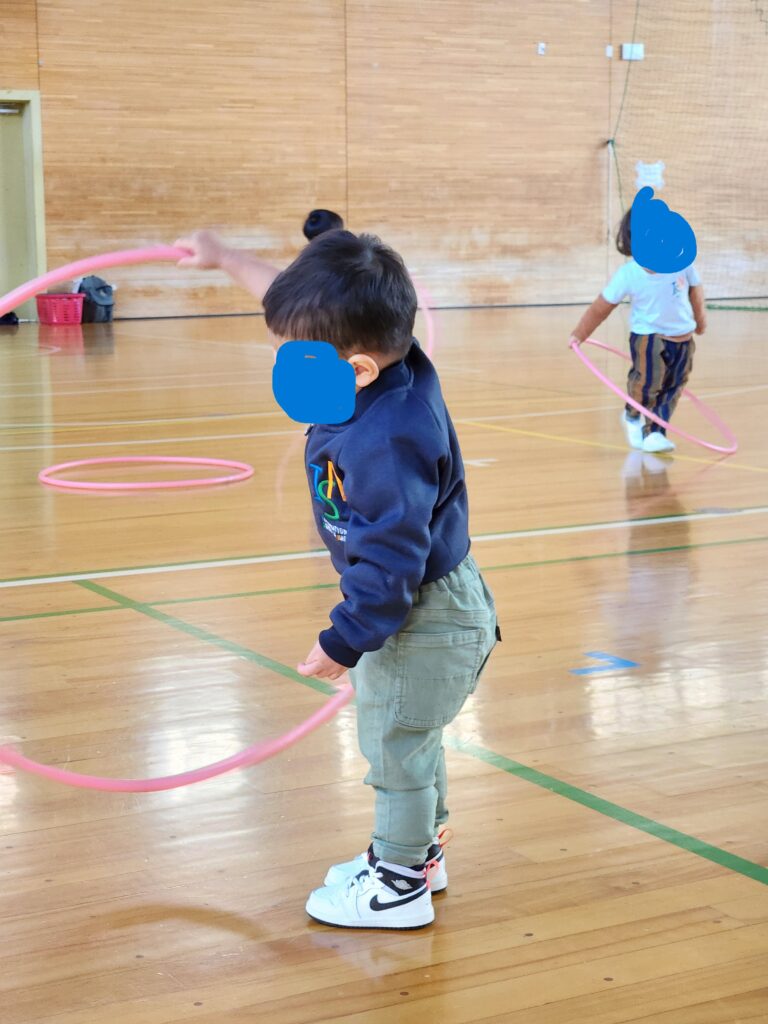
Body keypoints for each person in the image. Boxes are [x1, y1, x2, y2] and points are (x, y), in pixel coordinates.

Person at [174, 228, 499, 930]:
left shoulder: (387, 441)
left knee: (395, 746)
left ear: (355, 368)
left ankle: (398, 886)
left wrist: (343, 640)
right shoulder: (379, 358)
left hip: (419, 614)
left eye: (293, 357)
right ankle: (418, 856)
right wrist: (224, 257)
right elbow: (298, 306)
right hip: (421, 604)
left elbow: (392, 561)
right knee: (411, 737)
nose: (281, 366)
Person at [568, 207, 707, 453]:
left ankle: (655, 432)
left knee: (673, 386)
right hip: (649, 337)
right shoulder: (628, 274)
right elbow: (601, 307)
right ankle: (632, 415)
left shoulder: (682, 261)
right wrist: (580, 334)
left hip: (683, 339)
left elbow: (695, 290)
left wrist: (700, 320)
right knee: (648, 381)